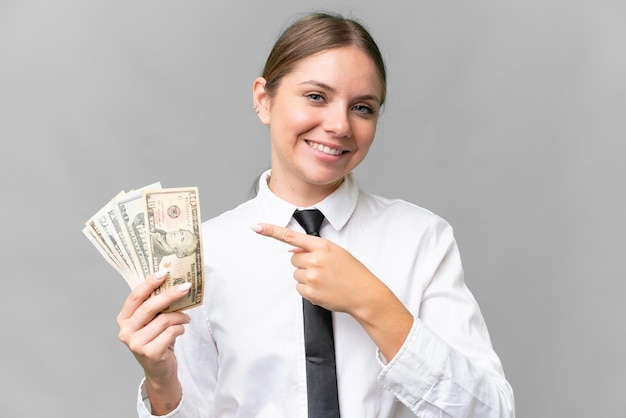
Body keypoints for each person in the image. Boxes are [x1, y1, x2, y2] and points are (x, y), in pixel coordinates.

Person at [117, 11, 515, 417]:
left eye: (362, 107)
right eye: (316, 96)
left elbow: (492, 412)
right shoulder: (204, 252)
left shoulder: (421, 239)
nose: (340, 125)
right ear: (262, 99)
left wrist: (373, 303)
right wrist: (161, 381)